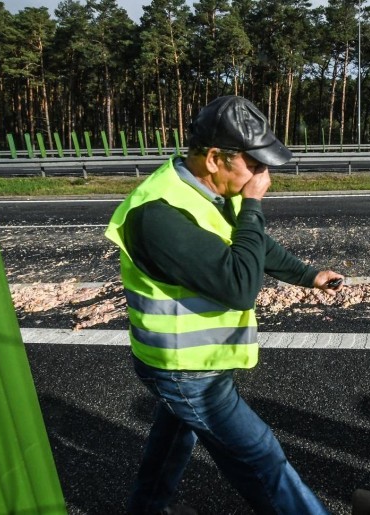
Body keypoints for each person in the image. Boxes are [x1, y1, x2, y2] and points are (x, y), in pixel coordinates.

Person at [105, 95, 344, 515]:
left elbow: (253, 245)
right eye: (254, 165)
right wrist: (254, 204)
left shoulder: (210, 187)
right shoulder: (159, 214)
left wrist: (308, 275)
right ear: (215, 158)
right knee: (259, 455)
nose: (262, 176)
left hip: (195, 360)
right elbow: (238, 285)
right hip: (183, 368)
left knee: (172, 443)